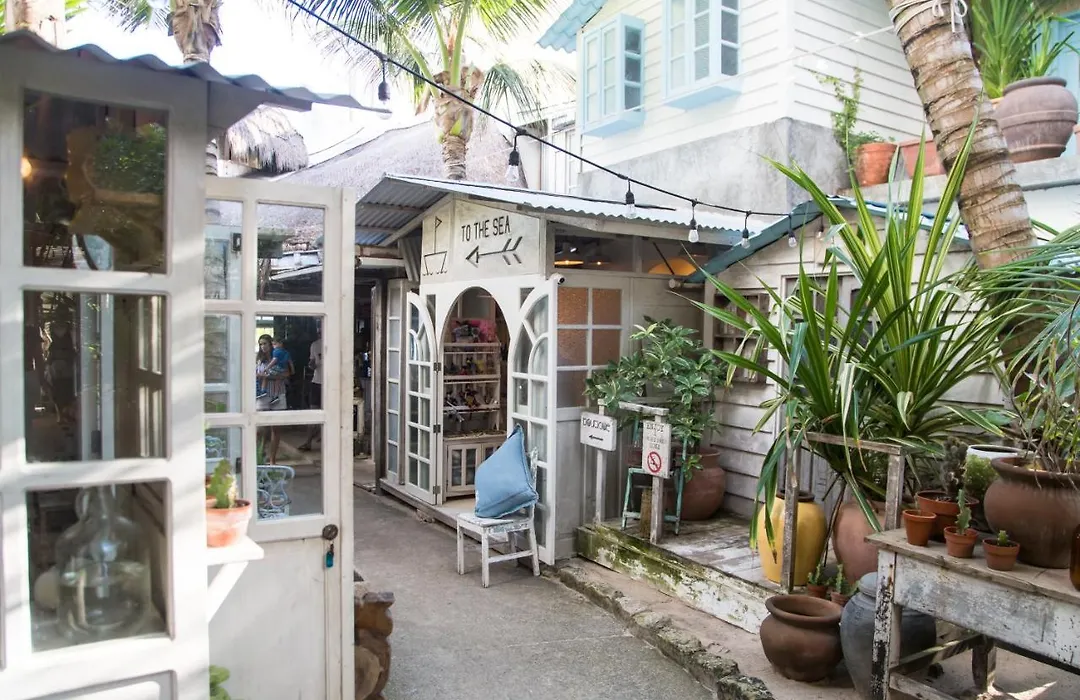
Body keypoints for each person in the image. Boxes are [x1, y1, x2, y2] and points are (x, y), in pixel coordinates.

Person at [256, 334, 289, 463]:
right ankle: (259, 455)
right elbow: (255, 374)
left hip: (278, 394)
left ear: (271, 344)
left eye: (265, 343)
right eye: (260, 344)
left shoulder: (280, 358)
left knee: (276, 428)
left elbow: (287, 373)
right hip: (263, 395)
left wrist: (269, 377)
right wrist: (262, 376)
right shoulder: (259, 359)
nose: (263, 346)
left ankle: (272, 460)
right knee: (260, 428)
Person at [299, 324, 323, 452]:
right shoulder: (314, 345)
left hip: (331, 383)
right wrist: (311, 365)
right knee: (313, 412)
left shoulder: (336, 343)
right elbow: (312, 362)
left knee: (331, 413)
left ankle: (323, 437)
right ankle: (308, 442)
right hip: (317, 382)